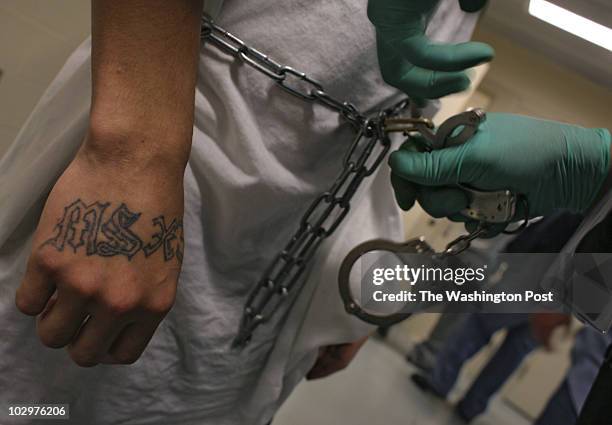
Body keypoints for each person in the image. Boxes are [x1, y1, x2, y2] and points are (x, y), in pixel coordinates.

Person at [0, 1, 493, 424]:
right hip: (150, 221)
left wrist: (351, 293)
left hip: (261, 309)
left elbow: (380, 135)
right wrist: (131, 154)